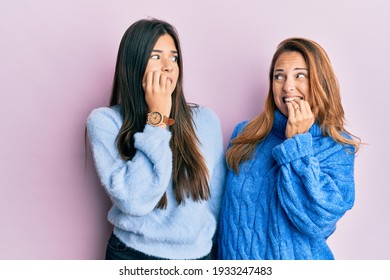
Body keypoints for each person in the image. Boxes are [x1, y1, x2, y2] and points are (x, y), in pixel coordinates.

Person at [86, 18, 225, 260]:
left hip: (199, 256)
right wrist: (157, 120)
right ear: (135, 64)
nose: (168, 66)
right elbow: (133, 201)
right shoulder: (105, 122)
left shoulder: (206, 121)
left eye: (174, 58)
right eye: (156, 56)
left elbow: (213, 201)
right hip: (134, 255)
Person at [217, 37, 361, 260]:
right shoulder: (245, 135)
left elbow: (316, 222)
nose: (287, 86)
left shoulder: (336, 147)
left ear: (320, 82)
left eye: (300, 75)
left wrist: (297, 142)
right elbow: (224, 216)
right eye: (279, 76)